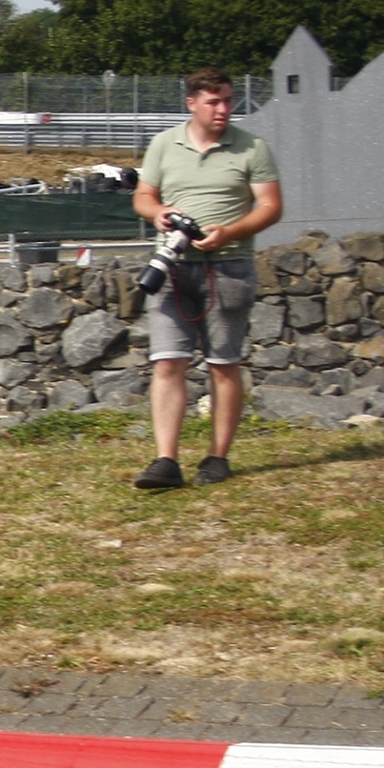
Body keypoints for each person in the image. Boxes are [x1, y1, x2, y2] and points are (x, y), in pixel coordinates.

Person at [130, 67, 283, 490]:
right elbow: (142, 196)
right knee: (167, 362)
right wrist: (157, 213)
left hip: (229, 267)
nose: (223, 109)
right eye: (213, 101)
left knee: (223, 364)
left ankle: (218, 457)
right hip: (172, 266)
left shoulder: (253, 147)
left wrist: (228, 233)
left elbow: (271, 206)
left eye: (228, 101)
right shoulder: (164, 144)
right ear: (192, 103)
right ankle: (165, 460)